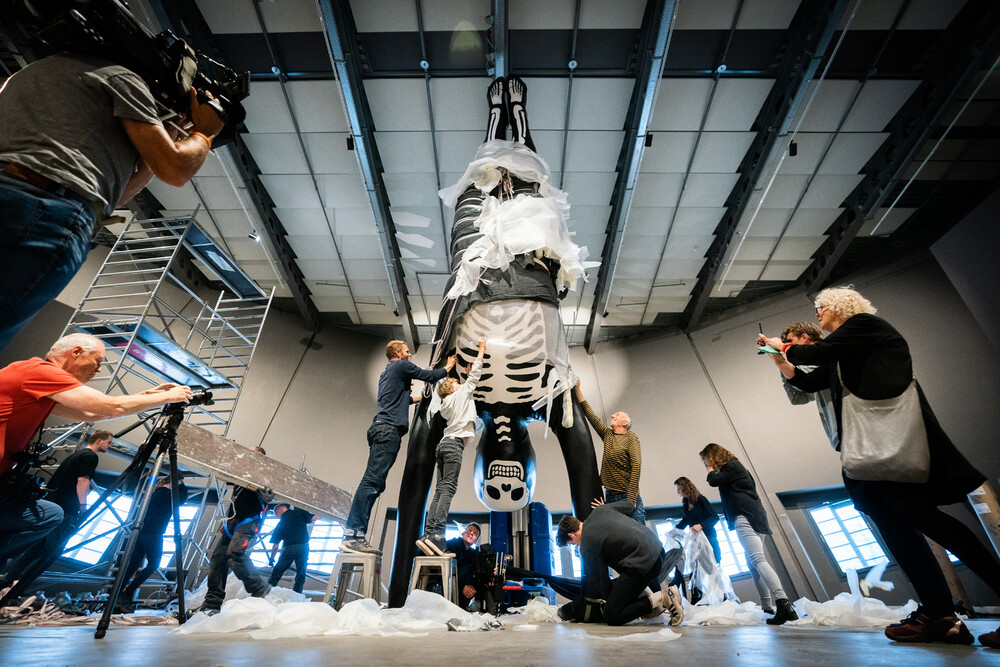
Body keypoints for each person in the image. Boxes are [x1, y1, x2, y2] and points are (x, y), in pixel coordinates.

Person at [759, 286, 1000, 648]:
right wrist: (779, 359)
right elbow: (809, 381)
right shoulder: (843, 355)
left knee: (928, 521)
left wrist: (784, 345)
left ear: (840, 306)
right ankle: (939, 614)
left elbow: (818, 351)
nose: (817, 311)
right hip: (870, 457)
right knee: (895, 524)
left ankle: (941, 612)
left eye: (820, 306)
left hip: (897, 448)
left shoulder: (865, 327)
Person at [0, 52, 226, 352]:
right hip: (47, 210)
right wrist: (204, 132)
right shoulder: (122, 77)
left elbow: (117, 196)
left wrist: (155, 149)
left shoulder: (31, 73)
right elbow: (175, 169)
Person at [0, 333, 191, 564]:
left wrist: (149, 395)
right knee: (50, 517)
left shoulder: (40, 384)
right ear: (76, 352)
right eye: (98, 360)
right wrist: (169, 397)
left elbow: (92, 413)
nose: (99, 369)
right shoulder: (40, 371)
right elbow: (111, 407)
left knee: (50, 516)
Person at [341, 341, 456, 555]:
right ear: (396, 352)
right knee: (372, 481)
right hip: (388, 431)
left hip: (381, 429)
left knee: (374, 481)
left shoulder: (387, 374)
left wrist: (423, 398)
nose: (409, 353)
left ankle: (355, 533)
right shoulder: (401, 366)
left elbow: (403, 399)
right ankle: (353, 534)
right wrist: (448, 367)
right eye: (406, 350)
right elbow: (429, 376)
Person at [700, 442, 798, 625]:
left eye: (706, 459)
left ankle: (783, 603)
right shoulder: (736, 467)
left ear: (712, 456)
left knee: (758, 559)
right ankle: (768, 607)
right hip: (754, 516)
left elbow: (713, 480)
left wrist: (710, 467)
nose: (705, 464)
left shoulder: (731, 465)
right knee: (752, 563)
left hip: (745, 516)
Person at [0, 429, 112, 585]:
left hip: (55, 505)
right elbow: (83, 481)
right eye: (109, 442)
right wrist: (83, 506)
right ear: (98, 440)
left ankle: (7, 583)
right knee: (52, 552)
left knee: (34, 550)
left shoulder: (75, 455)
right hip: (66, 510)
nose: (110, 446)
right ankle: (18, 588)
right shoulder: (90, 456)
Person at [556, 500, 683, 627]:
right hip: (657, 550)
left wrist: (615, 602)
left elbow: (603, 583)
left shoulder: (587, 546)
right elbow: (630, 505)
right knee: (626, 570)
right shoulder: (600, 510)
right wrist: (606, 507)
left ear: (571, 535)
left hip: (643, 565)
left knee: (611, 615)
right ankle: (655, 604)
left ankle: (663, 597)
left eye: (572, 543)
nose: (576, 545)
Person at [417, 337, 487, 556]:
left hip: (443, 445)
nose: (461, 384)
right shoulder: (460, 394)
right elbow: (475, 376)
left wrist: (463, 379)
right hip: (454, 445)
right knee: (448, 489)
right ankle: (437, 534)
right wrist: (482, 349)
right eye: (457, 383)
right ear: (453, 388)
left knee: (440, 490)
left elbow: (466, 391)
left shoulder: (447, 403)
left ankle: (429, 533)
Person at [199, 446, 273, 615]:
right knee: (218, 559)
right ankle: (212, 603)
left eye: (252, 452)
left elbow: (269, 494)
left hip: (249, 520)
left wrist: (267, 494)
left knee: (235, 553)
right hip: (233, 520)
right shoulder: (242, 474)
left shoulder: (263, 474)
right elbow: (221, 475)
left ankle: (259, 587)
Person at [574, 381, 644, 525]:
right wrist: (577, 390)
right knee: (618, 538)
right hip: (610, 497)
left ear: (625, 422)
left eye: (617, 415)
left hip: (627, 496)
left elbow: (636, 465)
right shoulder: (608, 435)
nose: (613, 415)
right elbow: (591, 415)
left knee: (639, 535)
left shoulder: (631, 437)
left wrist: (631, 499)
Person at [758, 321, 837, 449]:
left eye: (790, 341)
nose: (787, 346)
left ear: (805, 337)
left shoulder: (825, 359)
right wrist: (776, 356)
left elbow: (804, 378)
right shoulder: (809, 370)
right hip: (842, 442)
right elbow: (797, 398)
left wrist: (781, 354)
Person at [117, 475, 190, 610]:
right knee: (153, 565)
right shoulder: (166, 494)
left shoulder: (158, 491)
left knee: (132, 565)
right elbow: (180, 501)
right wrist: (182, 485)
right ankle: (125, 594)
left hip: (142, 532)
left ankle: (116, 595)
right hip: (154, 534)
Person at [267, 504, 314, 594]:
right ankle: (297, 595)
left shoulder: (280, 524)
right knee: (301, 572)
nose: (276, 517)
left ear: (278, 511)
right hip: (303, 547)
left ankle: (267, 591)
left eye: (275, 514)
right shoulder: (299, 513)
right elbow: (315, 517)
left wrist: (272, 559)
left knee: (277, 571)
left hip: (289, 549)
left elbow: (275, 547)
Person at [446, 523, 482, 610]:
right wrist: (463, 586)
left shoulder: (472, 555)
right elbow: (450, 570)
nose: (471, 533)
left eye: (475, 533)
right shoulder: (452, 544)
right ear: (463, 533)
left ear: (475, 541)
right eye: (470, 530)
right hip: (446, 584)